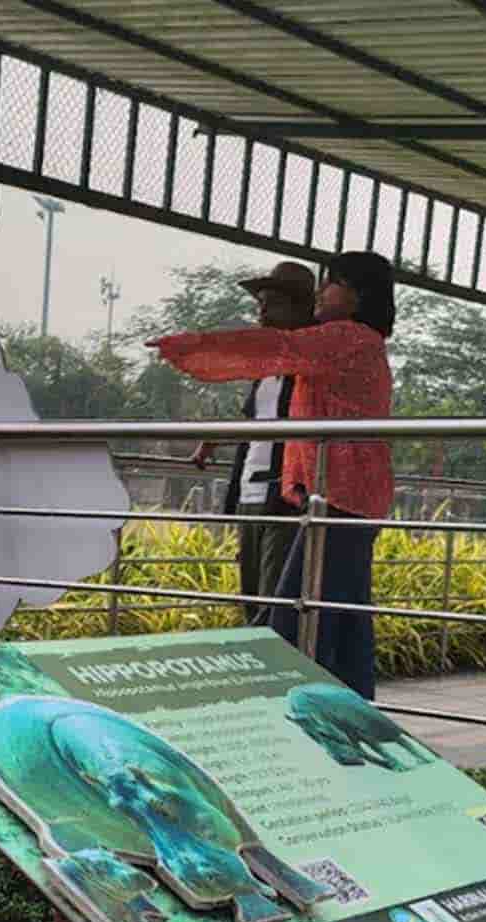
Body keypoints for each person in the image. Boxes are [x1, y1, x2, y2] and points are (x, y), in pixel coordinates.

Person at [150, 250, 394, 699]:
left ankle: (301, 710)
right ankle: (351, 710)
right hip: (342, 495)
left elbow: (271, 347)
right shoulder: (358, 342)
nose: (323, 292)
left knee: (295, 615)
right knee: (338, 612)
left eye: (331, 283)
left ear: (357, 295)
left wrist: (191, 346)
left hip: (337, 495)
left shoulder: (345, 338)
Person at [190, 261, 314, 622]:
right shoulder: (266, 368)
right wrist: (214, 440)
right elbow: (254, 422)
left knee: (274, 600)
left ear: (298, 309)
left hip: (284, 494)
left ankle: (278, 656)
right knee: (250, 595)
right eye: (260, 303)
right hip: (250, 490)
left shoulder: (310, 368)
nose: (262, 311)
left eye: (272, 303)